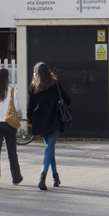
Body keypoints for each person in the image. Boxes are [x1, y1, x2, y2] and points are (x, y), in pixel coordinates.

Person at [26, 62, 71, 190]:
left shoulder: (33, 87)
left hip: (40, 121)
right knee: (49, 149)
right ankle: (43, 177)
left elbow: (30, 106)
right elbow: (68, 100)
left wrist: (29, 119)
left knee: (49, 148)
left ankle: (55, 177)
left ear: (37, 73)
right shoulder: (55, 84)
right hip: (55, 120)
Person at [0, 67, 23, 188]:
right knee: (11, 150)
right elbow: (17, 107)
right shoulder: (11, 90)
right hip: (8, 123)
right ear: (7, 77)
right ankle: (16, 177)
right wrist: (20, 116)